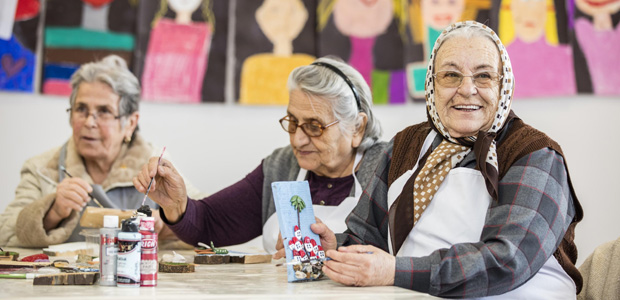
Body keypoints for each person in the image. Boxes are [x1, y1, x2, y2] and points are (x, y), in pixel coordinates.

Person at [309, 21, 583, 298]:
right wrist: (335, 248)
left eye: (484, 76)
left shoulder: (533, 153)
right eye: (451, 75)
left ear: (504, 85)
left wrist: (394, 272)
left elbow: (508, 260)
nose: (466, 89)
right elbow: (366, 236)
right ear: (432, 83)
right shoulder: (405, 146)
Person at [133, 57, 386, 253]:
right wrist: (177, 204)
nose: (297, 139)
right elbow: (208, 224)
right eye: (292, 122)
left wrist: (335, 248)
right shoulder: (282, 166)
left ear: (357, 127)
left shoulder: (388, 168)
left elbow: (409, 255)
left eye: (314, 127)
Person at [0, 55, 202, 247]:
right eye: (81, 109)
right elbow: (5, 233)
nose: (89, 122)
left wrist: (167, 222)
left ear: (130, 123)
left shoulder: (155, 165)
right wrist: (52, 211)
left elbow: (206, 221)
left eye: (104, 111)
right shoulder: (42, 169)